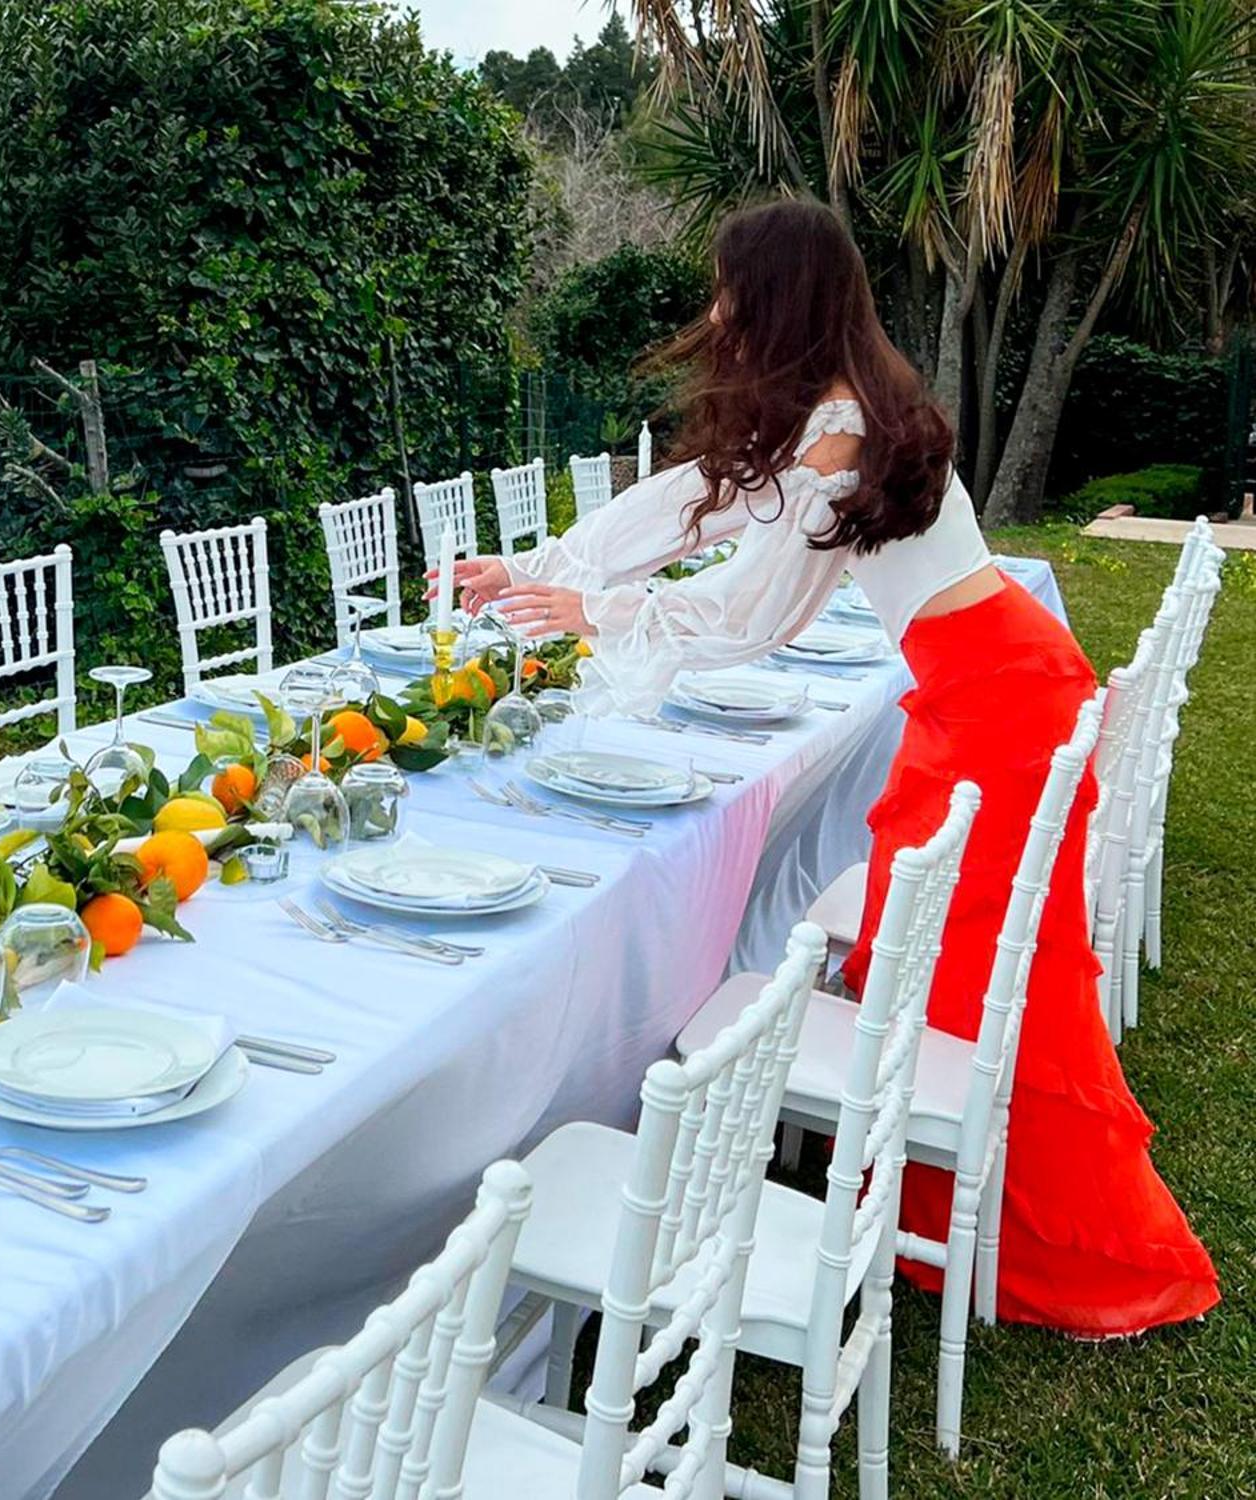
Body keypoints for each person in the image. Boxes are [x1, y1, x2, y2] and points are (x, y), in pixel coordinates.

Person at [443, 198, 1216, 1335]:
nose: (712, 312)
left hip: (993, 699)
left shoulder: (842, 430)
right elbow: (691, 506)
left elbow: (747, 611)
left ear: (772, 300)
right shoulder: (837, 410)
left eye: (724, 290)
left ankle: (1058, 1247)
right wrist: (538, 567)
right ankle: (957, 1211)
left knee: (977, 968)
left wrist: (593, 612)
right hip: (985, 678)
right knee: (955, 961)